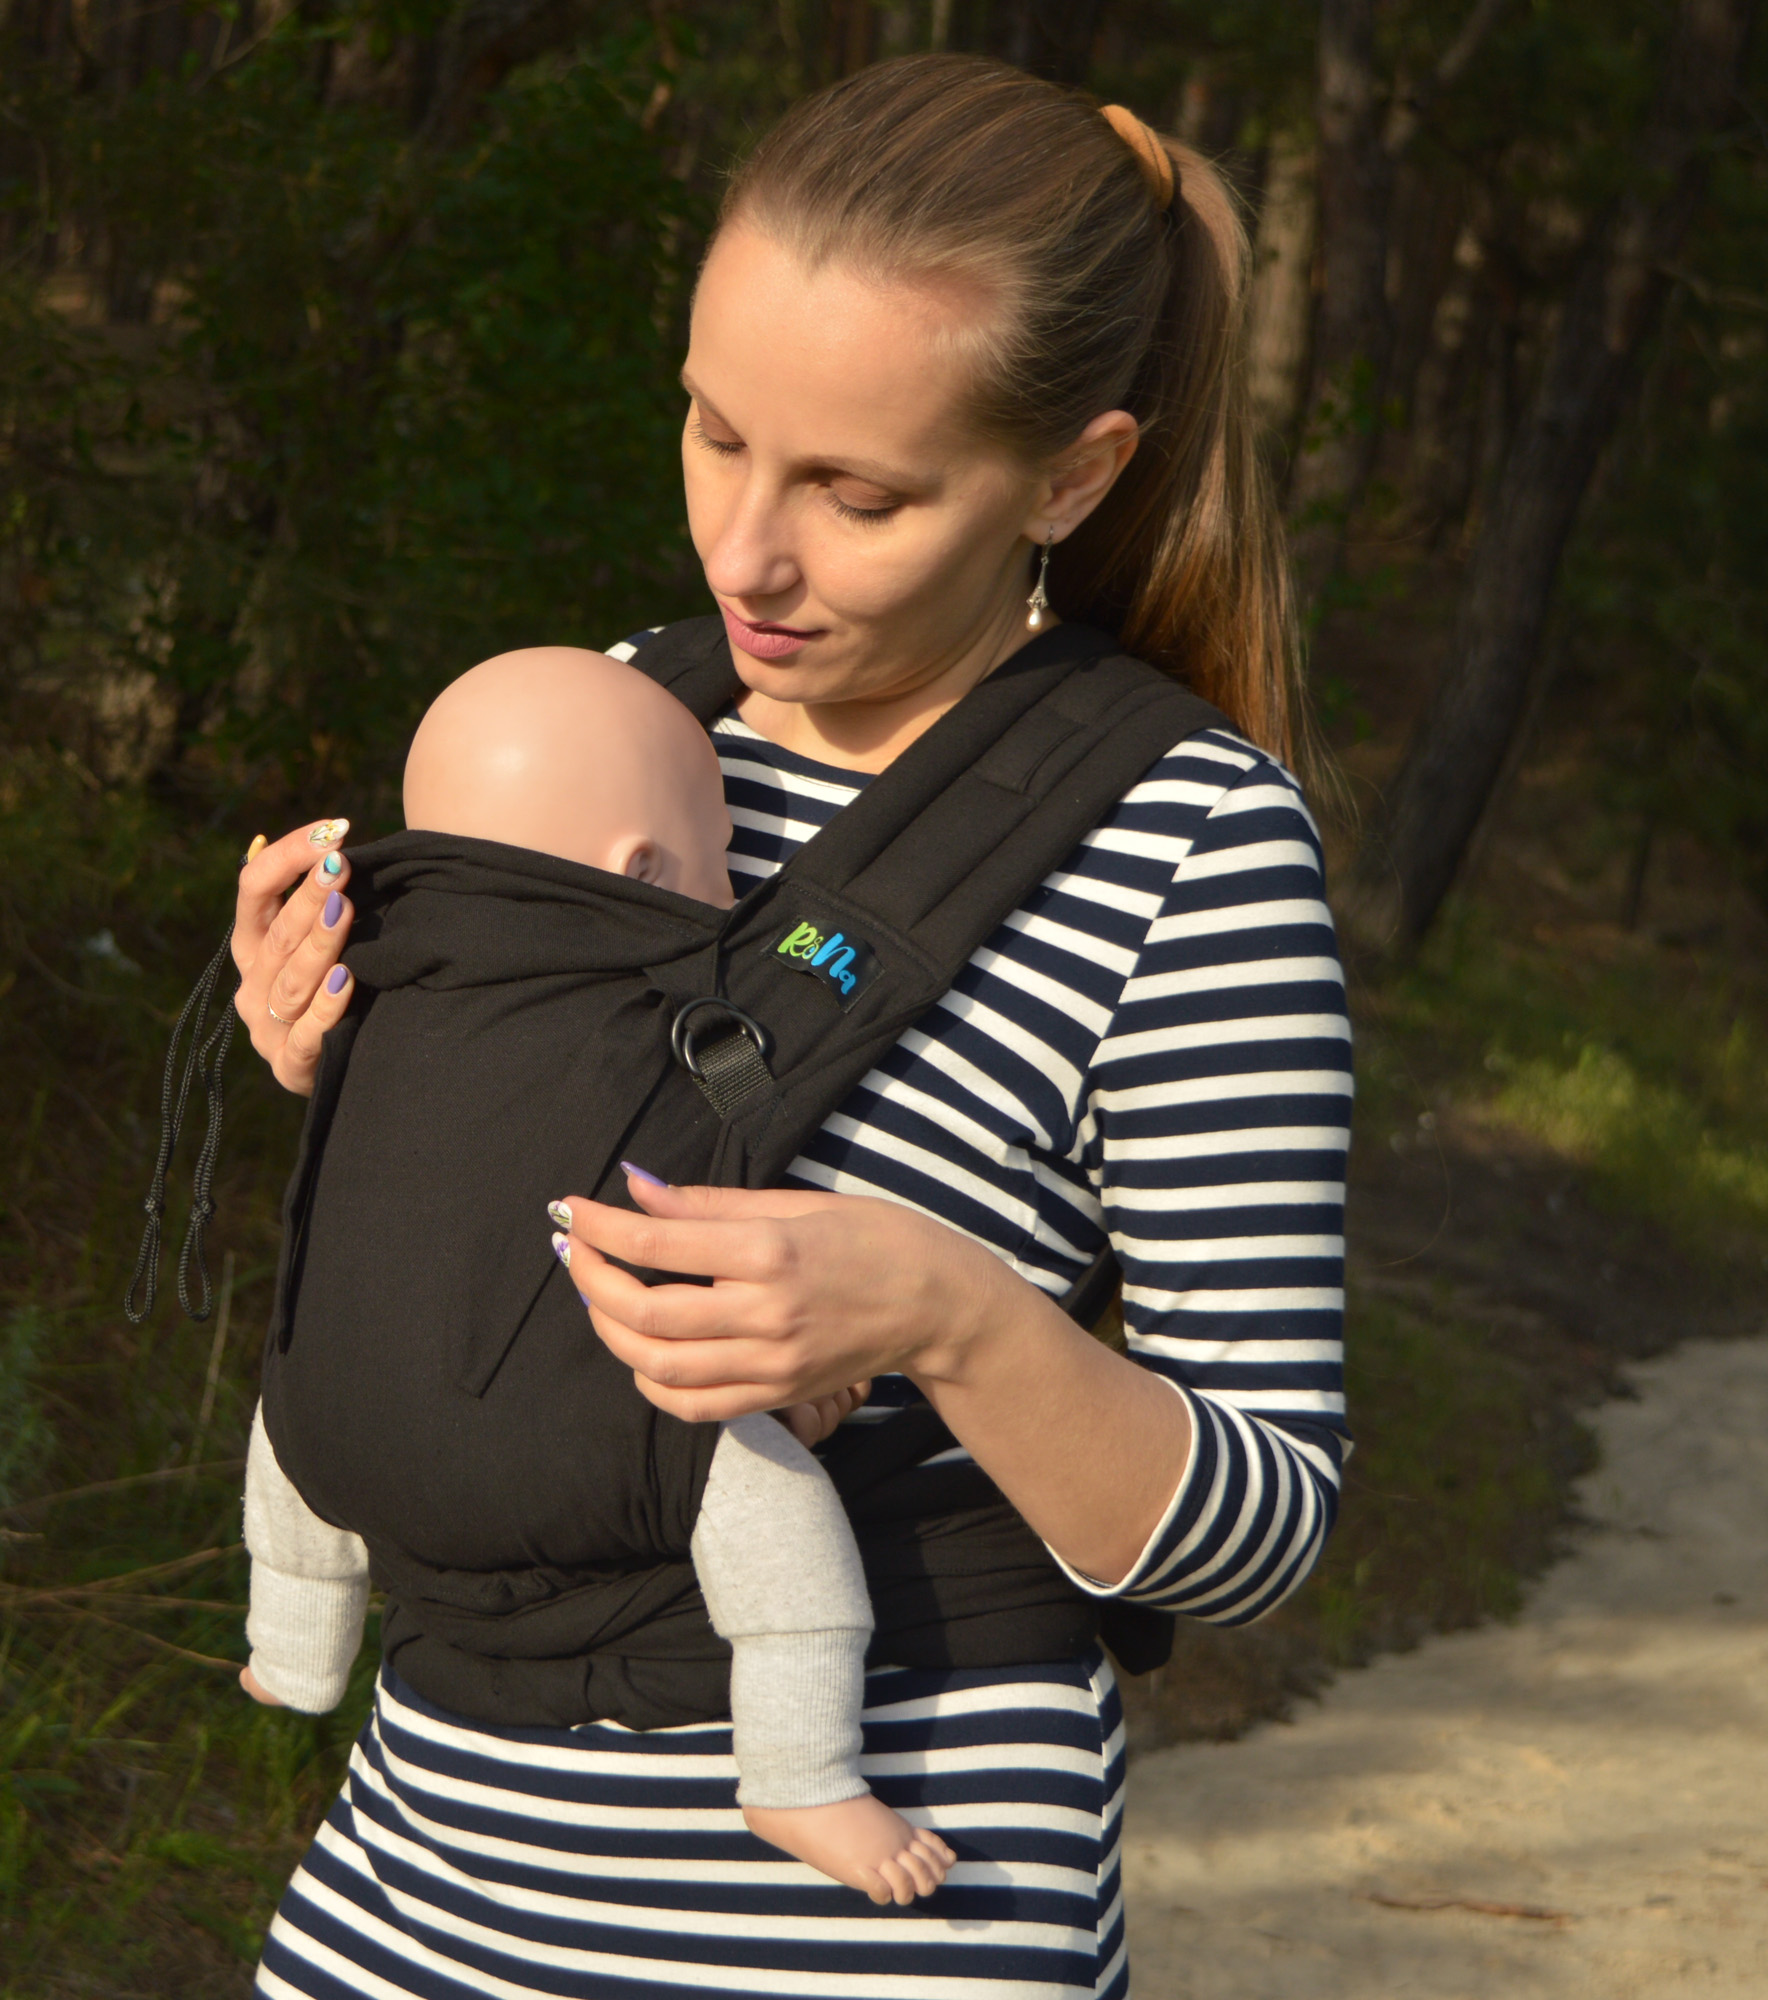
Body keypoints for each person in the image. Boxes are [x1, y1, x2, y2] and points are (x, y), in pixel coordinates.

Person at [229, 54, 1349, 2000]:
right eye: (715, 431)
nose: (745, 553)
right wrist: (343, 1050)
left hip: (872, 1912)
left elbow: (1256, 1530)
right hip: (426, 1856)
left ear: (1070, 476)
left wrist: (946, 1314)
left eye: (855, 493)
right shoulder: (609, 717)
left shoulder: (1192, 845)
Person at [237, 644, 955, 1904]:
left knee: (294, 1403)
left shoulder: (373, 988)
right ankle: (798, 1773)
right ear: (641, 867)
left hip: (331, 1427)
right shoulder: (693, 1019)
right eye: (721, 856)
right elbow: (740, 1179)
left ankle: (292, 1647)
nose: (733, 886)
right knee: (787, 1549)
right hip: (599, 1435)